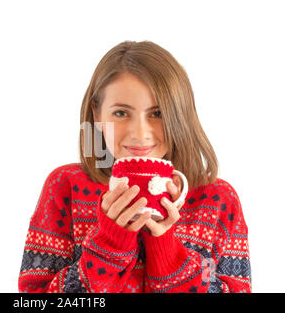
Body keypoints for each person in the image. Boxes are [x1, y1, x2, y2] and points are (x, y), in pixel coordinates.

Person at [18, 40, 251, 293]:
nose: (140, 133)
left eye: (157, 113)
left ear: (179, 115)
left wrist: (168, 252)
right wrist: (108, 244)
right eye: (121, 113)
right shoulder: (66, 186)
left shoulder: (217, 200)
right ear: (97, 114)